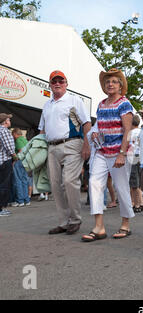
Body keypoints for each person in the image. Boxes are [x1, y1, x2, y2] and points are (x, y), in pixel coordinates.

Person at [81, 68, 135, 242]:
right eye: (107, 82)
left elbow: (127, 130)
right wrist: (95, 133)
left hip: (119, 153)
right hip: (102, 152)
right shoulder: (101, 104)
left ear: (120, 86)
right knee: (94, 184)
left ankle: (125, 224)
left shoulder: (124, 104)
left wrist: (121, 154)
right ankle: (99, 227)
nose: (110, 84)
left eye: (114, 81)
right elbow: (99, 126)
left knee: (121, 187)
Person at [39, 70, 91, 235]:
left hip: (72, 144)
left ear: (66, 84)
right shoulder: (47, 105)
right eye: (54, 81)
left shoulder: (74, 100)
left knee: (69, 181)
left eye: (61, 81)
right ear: (50, 85)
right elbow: (42, 129)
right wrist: (38, 150)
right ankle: (63, 222)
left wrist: (86, 145)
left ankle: (75, 219)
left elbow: (86, 123)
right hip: (52, 147)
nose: (57, 84)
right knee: (55, 186)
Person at [0, 113, 16, 216]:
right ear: (5, 121)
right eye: (9, 120)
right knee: (4, 185)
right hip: (5, 161)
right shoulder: (4, 131)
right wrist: (15, 157)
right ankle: (1, 209)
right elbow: (9, 148)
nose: (10, 121)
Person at [11, 128, 31, 207]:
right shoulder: (24, 139)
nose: (12, 136)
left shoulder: (18, 140)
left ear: (15, 134)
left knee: (18, 181)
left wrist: (15, 160)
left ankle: (20, 201)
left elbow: (20, 150)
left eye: (12, 134)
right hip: (25, 161)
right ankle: (27, 200)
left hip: (19, 161)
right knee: (24, 180)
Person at [128, 114, 143, 213]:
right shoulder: (142, 132)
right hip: (142, 158)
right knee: (139, 183)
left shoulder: (130, 133)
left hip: (133, 158)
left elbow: (129, 147)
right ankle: (141, 202)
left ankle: (137, 204)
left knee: (134, 184)